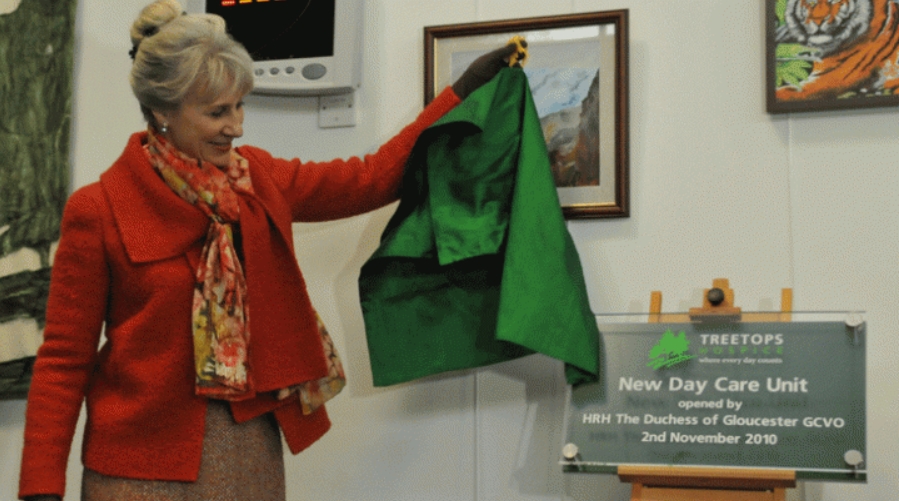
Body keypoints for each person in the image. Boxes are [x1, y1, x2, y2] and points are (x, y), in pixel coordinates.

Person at [17, 0, 519, 499]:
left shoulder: (256, 178)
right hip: (134, 469)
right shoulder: (99, 209)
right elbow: (63, 361)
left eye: (240, 106)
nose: (237, 126)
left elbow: (369, 179)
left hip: (247, 454)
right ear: (161, 111)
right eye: (217, 112)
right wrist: (42, 488)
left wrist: (461, 91)